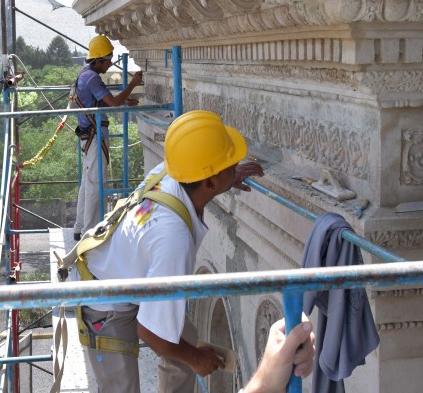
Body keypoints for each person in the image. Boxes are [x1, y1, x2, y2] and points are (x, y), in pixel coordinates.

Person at [77, 110, 315, 392]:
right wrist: (195, 358)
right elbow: (149, 332)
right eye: (229, 163)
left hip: (129, 272)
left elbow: (201, 181)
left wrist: (228, 176)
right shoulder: (173, 239)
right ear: (209, 181)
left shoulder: (175, 168)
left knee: (182, 337)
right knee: (125, 385)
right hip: (104, 302)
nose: (236, 164)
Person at [72, 35, 143, 240]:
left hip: (89, 135)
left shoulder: (85, 74)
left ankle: (80, 227)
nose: (110, 63)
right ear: (99, 60)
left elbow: (100, 101)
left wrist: (124, 99)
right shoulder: (92, 78)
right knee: (95, 184)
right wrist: (132, 84)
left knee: (88, 183)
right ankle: (89, 233)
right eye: (108, 59)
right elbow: (112, 103)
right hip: (95, 136)